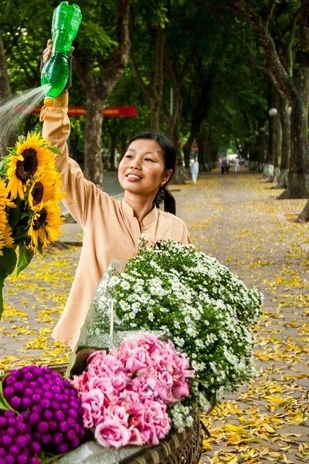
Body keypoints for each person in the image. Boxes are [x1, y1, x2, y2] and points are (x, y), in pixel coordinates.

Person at [40, 46, 191, 350]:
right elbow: (54, 160)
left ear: (165, 176)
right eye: (130, 155)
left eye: (149, 160)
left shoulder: (176, 230)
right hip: (92, 348)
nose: (135, 164)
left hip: (150, 353)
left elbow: (183, 297)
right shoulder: (96, 207)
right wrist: (57, 95)